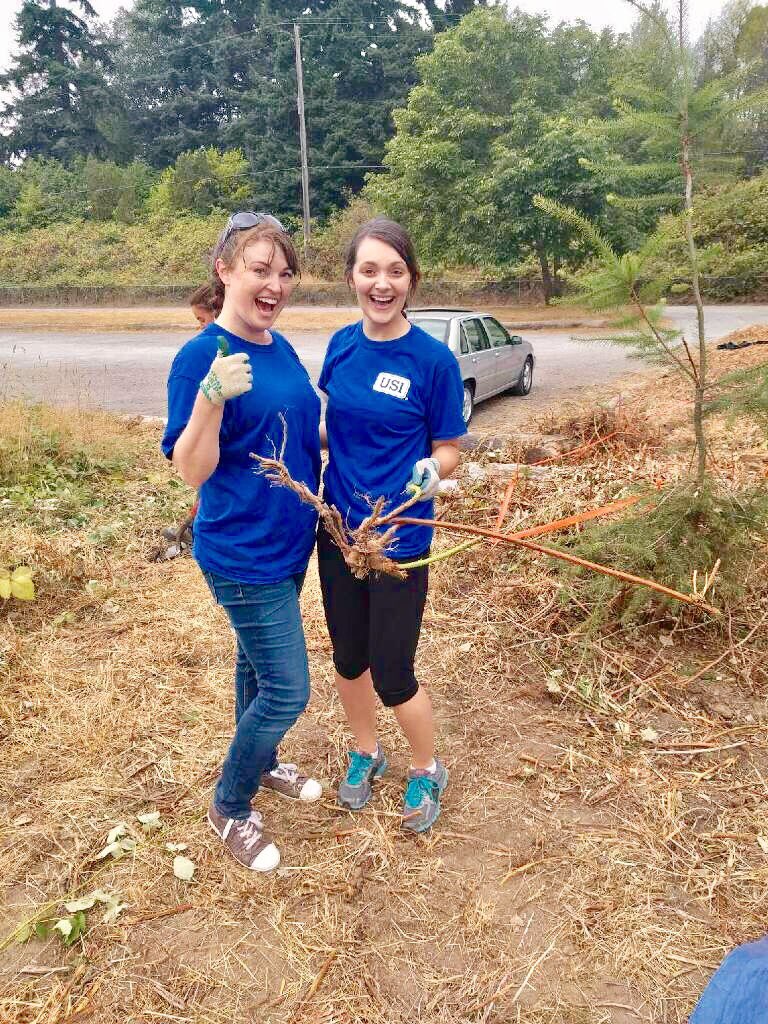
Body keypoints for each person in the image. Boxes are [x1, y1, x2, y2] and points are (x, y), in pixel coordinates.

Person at [161, 212, 323, 872]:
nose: (275, 284)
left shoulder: (277, 346)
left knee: (255, 667)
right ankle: (229, 803)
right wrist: (208, 399)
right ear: (225, 271)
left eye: (284, 273)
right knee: (288, 689)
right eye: (260, 269)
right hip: (241, 552)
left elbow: (296, 434)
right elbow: (189, 469)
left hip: (290, 542)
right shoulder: (202, 356)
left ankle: (262, 761)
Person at [317, 217, 466, 833]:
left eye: (395, 271)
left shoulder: (432, 361)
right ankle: (366, 752)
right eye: (369, 270)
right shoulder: (341, 347)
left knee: (394, 667)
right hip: (340, 531)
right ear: (352, 277)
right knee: (350, 658)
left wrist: (433, 470)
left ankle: (427, 767)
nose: (382, 283)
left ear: (411, 280)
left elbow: (450, 447)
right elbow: (335, 430)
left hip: (399, 538)